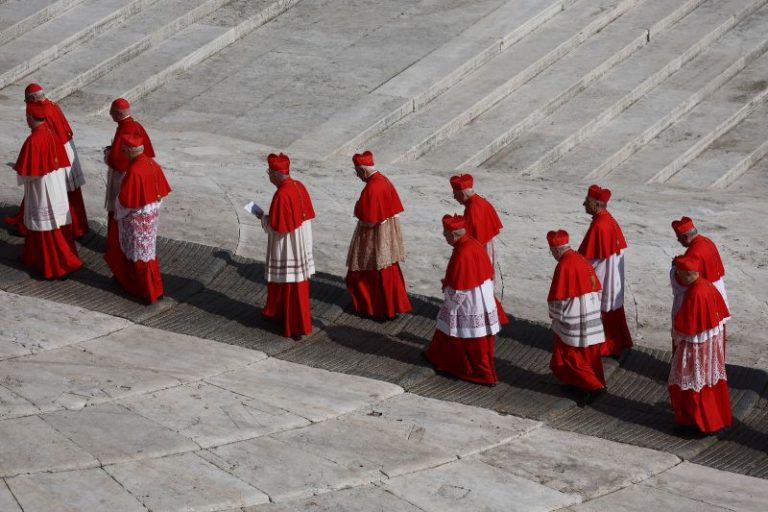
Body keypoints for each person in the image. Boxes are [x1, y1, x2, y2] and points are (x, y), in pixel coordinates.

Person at [424, 214, 500, 385]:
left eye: (445, 235)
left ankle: (482, 374)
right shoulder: (472, 243)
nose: (445, 239)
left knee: (471, 339)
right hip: (481, 295)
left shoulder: (463, 252)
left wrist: (450, 302)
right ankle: (436, 356)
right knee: (448, 330)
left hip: (469, 302)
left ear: (453, 234)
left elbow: (460, 284)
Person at [4, 83, 89, 237]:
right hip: (65, 148)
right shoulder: (52, 104)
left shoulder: (44, 110)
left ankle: (30, 225)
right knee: (69, 192)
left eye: (27, 101)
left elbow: (45, 137)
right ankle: (77, 228)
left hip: (55, 152)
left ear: (32, 98)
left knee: (43, 189)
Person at [13, 102, 82, 278]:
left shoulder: (33, 140)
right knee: (57, 227)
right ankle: (51, 260)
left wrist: (20, 169)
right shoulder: (53, 134)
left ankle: (56, 268)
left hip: (42, 191)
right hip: (57, 188)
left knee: (47, 228)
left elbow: (28, 173)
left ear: (30, 118)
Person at [668, 255, 731, 434]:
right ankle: (709, 422)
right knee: (707, 384)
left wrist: (676, 338)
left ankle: (694, 425)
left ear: (689, 274)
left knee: (690, 384)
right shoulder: (707, 285)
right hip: (709, 346)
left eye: (680, 274)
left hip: (694, 347)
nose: (679, 278)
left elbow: (685, 328)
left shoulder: (694, 293)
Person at [104, 134, 171, 303]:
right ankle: (155, 290)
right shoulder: (151, 163)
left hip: (136, 219)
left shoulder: (134, 170)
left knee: (138, 254)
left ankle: (147, 292)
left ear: (129, 150)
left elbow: (125, 201)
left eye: (124, 150)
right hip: (150, 216)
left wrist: (118, 214)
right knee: (147, 253)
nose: (123, 153)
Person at [255, 153, 315, 337]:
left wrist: (261, 217)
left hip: (288, 246)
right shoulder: (299, 186)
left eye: (269, 172)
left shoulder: (282, 194)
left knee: (288, 283)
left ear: (275, 173)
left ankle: (292, 325)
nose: (268, 176)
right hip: (301, 242)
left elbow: (277, 226)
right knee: (297, 284)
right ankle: (288, 319)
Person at [345, 150, 411, 318]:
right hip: (386, 236)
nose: (357, 176)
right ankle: (390, 308)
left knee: (366, 274)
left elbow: (370, 220)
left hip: (375, 237)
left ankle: (375, 309)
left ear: (362, 170)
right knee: (389, 271)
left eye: (357, 172)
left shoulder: (372, 188)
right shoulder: (383, 180)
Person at [547, 229, 606, 405]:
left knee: (569, 355)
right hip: (589, 312)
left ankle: (595, 387)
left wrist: (555, 315)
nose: (553, 255)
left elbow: (558, 297)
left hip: (573, 317)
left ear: (556, 250)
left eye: (551, 252)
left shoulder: (564, 265)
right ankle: (576, 383)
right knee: (588, 354)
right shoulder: (580, 258)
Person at [578, 184, 632, 357]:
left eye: (587, 201)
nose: (584, 204)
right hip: (611, 276)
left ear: (596, 204)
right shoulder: (607, 219)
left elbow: (587, 257)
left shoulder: (599, 225)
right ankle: (615, 345)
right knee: (611, 309)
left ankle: (602, 347)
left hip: (602, 276)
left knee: (597, 308)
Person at [449, 173, 509, 324]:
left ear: (462, 192)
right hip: (486, 247)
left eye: (455, 194)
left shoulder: (473, 209)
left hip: (480, 251)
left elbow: (471, 238)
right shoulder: (480, 202)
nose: (455, 198)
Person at [103, 98, 155, 257]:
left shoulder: (126, 129)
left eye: (111, 112)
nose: (110, 115)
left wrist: (108, 154)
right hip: (133, 172)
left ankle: (116, 244)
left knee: (120, 210)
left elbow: (117, 161)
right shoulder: (135, 125)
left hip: (123, 176)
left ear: (118, 114)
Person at [670, 216, 728, 318]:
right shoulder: (707, 241)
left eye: (679, 238)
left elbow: (685, 281)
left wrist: (675, 268)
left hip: (704, 296)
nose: (678, 241)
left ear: (685, 237)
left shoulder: (694, 252)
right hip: (716, 290)